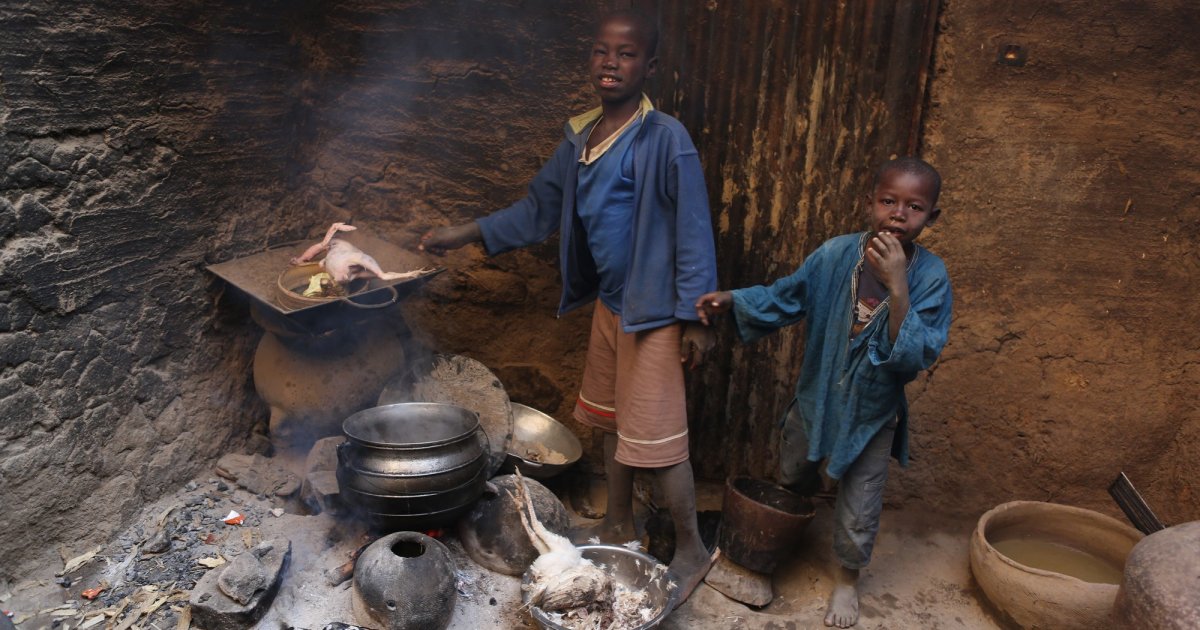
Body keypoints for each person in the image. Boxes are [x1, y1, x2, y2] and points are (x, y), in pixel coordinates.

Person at [419, 10, 720, 605]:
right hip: (614, 307)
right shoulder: (581, 138)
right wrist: (467, 231)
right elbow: (537, 209)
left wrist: (695, 317)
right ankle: (617, 524)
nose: (611, 62)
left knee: (658, 440)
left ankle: (690, 549)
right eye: (601, 52)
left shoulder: (665, 139)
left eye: (627, 54)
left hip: (656, 312)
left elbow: (693, 229)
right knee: (611, 422)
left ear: (650, 66)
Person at [694, 157, 952, 628]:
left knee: (861, 500)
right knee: (794, 472)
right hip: (818, 395)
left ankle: (847, 580)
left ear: (930, 217)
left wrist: (898, 288)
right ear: (869, 202)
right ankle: (784, 539)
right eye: (888, 201)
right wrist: (733, 299)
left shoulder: (931, 278)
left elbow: (915, 354)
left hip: (874, 412)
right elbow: (787, 296)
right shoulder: (835, 255)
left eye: (914, 207)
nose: (899, 214)